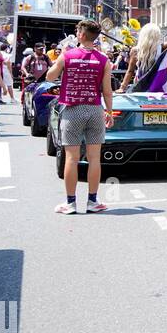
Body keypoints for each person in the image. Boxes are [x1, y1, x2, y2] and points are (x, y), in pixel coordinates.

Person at [46, 20, 115, 214]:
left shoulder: (67, 55)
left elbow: (49, 77)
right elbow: (107, 91)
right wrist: (109, 112)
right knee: (94, 158)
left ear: (82, 35)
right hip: (94, 109)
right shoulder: (104, 60)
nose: (76, 33)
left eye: (77, 31)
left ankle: (70, 203)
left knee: (71, 158)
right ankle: (93, 201)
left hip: (72, 110)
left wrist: (60, 58)